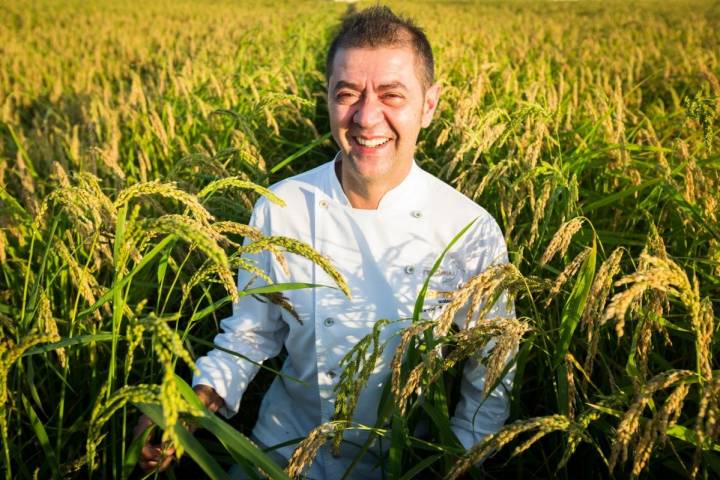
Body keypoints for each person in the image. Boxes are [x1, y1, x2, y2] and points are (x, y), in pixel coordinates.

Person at [137, 5, 515, 478]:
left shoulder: (468, 229)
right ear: (328, 99)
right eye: (348, 93)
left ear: (430, 104)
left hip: (406, 464)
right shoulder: (281, 207)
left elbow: (492, 368)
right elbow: (251, 333)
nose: (366, 116)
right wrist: (189, 406)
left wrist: (457, 461)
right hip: (280, 454)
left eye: (391, 95)